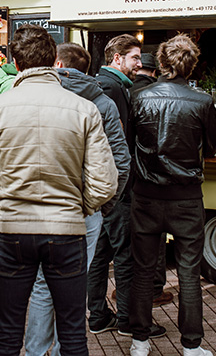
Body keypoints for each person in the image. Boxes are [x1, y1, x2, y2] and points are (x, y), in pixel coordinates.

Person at [0, 24, 117, 356]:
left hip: (13, 228)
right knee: (73, 332)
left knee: (7, 333)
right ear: (53, 61)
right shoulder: (84, 109)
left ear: (15, 64)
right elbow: (105, 181)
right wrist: (80, 207)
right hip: (66, 229)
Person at [24, 42, 132, 356]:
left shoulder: (36, 96)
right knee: (73, 282)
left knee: (42, 283)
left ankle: (35, 352)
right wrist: (104, 204)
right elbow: (121, 161)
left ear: (57, 64)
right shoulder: (103, 103)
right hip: (86, 207)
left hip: (42, 201)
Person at [128, 33, 216, 356]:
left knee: (142, 270)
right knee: (189, 273)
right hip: (186, 197)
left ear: (162, 62)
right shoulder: (203, 101)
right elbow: (212, 147)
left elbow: (129, 143)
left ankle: (140, 342)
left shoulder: (139, 97)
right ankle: (191, 346)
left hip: (146, 195)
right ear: (192, 66)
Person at [88, 34, 144, 336]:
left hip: (103, 185)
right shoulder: (112, 88)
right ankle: (126, 320)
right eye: (135, 57)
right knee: (124, 254)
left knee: (100, 252)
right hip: (116, 187)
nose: (139, 64)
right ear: (117, 58)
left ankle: (98, 315)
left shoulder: (108, 85)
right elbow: (118, 144)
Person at [128, 50, 174, 311]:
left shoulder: (128, 92)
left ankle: (132, 289)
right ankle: (155, 289)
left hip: (132, 174)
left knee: (136, 235)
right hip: (156, 175)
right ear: (155, 71)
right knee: (156, 238)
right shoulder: (159, 94)